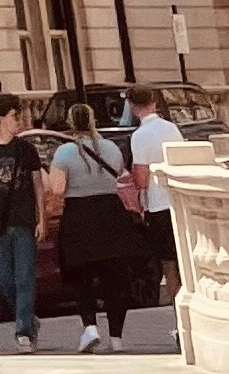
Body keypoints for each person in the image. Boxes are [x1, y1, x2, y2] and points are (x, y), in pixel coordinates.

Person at [46, 98, 142, 347]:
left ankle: (90, 326)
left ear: (70, 123)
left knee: (80, 275)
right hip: (111, 212)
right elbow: (120, 173)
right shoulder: (111, 148)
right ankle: (117, 337)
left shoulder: (64, 152)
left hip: (79, 215)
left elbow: (58, 189)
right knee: (115, 278)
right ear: (93, 121)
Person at [0, 95, 46, 348]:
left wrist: (42, 218)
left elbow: (38, 184)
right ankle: (26, 316)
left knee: (24, 276)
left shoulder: (26, 149)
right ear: (2, 118)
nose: (20, 120)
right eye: (15, 115)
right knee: (3, 274)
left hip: (24, 218)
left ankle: (23, 331)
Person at [125, 84, 185, 287]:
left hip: (157, 202)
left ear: (133, 107)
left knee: (167, 260)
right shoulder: (172, 128)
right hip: (178, 197)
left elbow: (141, 177)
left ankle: (175, 299)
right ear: (154, 103)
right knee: (182, 254)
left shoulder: (139, 136)